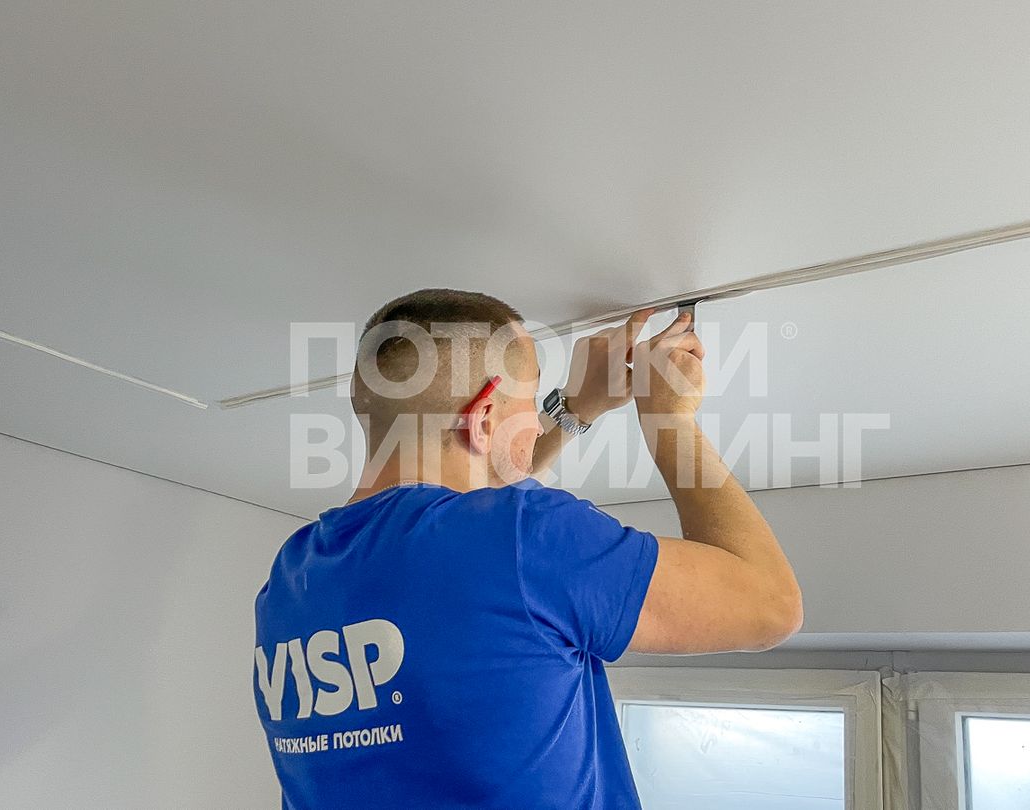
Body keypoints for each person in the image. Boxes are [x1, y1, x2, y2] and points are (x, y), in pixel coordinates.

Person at [253, 288, 802, 809]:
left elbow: (473, 527)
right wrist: (667, 418)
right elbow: (771, 604)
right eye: (529, 401)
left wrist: (572, 409)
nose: (535, 423)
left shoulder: (292, 579)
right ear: (484, 415)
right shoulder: (521, 536)